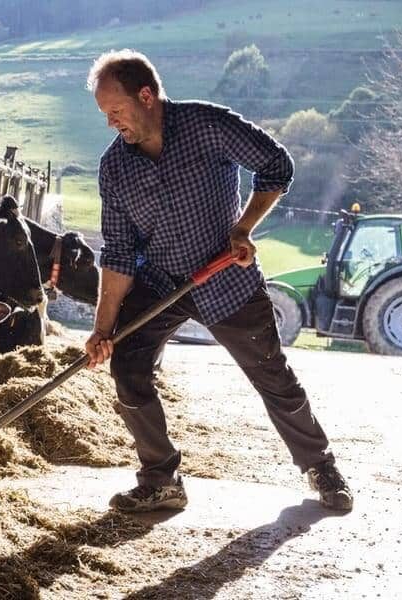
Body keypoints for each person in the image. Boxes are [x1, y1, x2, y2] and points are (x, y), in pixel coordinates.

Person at [84, 49, 353, 512]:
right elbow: (120, 252)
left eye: (116, 111)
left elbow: (276, 165)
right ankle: (161, 478)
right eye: (105, 115)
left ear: (146, 95)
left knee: (271, 375)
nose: (111, 123)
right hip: (163, 282)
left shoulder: (207, 127)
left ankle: (321, 465)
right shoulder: (115, 168)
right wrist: (103, 329)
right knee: (127, 368)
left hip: (226, 277)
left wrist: (243, 227)